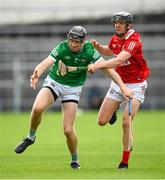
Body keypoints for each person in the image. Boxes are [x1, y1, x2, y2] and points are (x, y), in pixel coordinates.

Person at [14, 25, 132, 170]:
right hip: (55, 82)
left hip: (73, 89)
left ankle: (74, 160)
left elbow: (108, 69)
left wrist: (123, 87)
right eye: (71, 41)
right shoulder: (62, 47)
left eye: (77, 42)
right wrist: (36, 73)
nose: (74, 45)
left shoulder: (89, 50)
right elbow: (45, 63)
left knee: (68, 130)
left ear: (83, 42)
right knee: (37, 108)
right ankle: (30, 137)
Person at [88, 12, 150, 169]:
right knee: (101, 121)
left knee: (126, 124)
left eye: (121, 23)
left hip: (135, 87)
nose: (117, 25)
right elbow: (110, 51)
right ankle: (116, 109)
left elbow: (119, 59)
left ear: (129, 25)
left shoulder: (134, 40)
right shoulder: (115, 38)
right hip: (118, 84)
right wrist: (98, 47)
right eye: (115, 22)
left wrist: (97, 65)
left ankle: (124, 161)